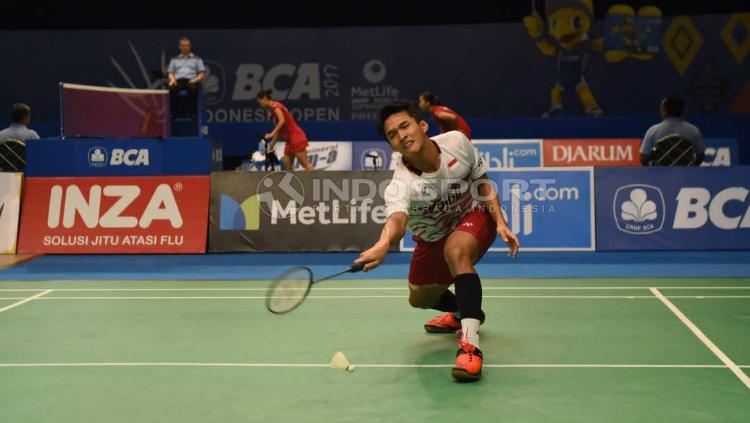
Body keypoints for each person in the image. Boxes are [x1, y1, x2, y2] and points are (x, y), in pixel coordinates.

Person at [355, 100, 520, 382]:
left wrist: (501, 222)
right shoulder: (400, 184)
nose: (401, 135)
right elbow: (396, 221)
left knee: (456, 250)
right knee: (419, 298)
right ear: (391, 145)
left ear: (422, 126)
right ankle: (463, 312)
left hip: (474, 215)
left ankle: (470, 346)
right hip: (431, 238)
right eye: (392, 135)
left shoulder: (456, 142)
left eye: (404, 126)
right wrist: (383, 245)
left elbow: (482, 181)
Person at [256, 90, 314, 172]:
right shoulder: (273, 111)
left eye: (260, 102)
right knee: (288, 167)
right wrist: (272, 144)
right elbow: (279, 130)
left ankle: (316, 183)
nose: (260, 105)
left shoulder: (276, 106)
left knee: (305, 164)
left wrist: (271, 134)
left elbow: (282, 120)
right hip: (289, 140)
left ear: (265, 98)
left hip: (296, 137)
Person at [640, 94, 705, 166]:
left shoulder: (652, 131)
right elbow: (701, 156)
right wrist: (691, 168)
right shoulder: (694, 131)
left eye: (661, 108)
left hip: (659, 175)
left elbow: (643, 159)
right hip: (686, 175)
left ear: (664, 111)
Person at [167, 37, 205, 119]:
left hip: (191, 81)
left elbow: (202, 73)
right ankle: (173, 114)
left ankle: (193, 114)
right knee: (172, 89)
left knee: (193, 89)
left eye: (187, 45)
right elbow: (170, 73)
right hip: (178, 81)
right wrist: (173, 79)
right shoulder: (174, 60)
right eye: (183, 46)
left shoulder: (197, 59)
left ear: (190, 46)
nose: (185, 47)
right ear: (180, 47)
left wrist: (195, 80)